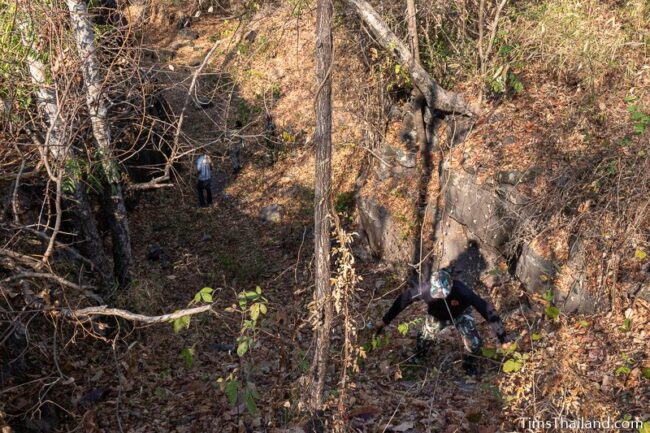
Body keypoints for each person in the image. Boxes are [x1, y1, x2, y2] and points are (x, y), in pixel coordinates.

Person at [376, 269, 508, 375]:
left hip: (461, 314)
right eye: (438, 293)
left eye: (444, 293)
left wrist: (503, 338)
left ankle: (468, 365)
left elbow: (486, 309)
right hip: (436, 317)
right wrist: (384, 321)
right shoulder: (425, 289)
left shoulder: (461, 290)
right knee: (423, 339)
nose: (442, 296)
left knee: (475, 344)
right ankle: (419, 357)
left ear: (451, 285)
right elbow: (403, 300)